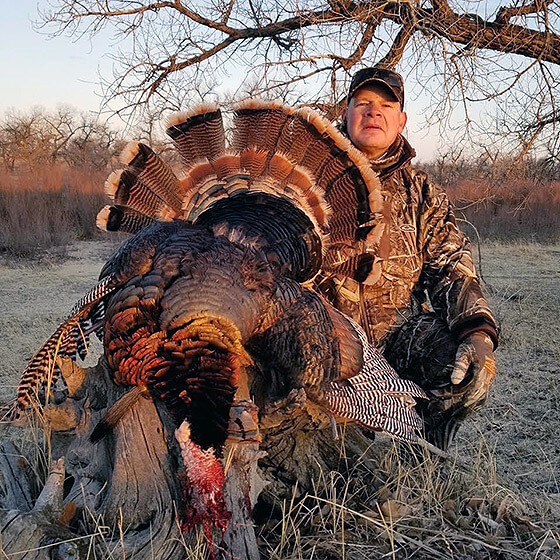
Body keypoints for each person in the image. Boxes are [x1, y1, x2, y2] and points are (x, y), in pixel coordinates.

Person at [314, 66, 499, 450]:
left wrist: (477, 331)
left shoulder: (421, 192)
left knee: (466, 368)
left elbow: (450, 265)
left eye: (385, 105)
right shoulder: (308, 180)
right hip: (321, 341)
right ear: (345, 114)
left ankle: (424, 455)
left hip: (398, 339)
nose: (373, 112)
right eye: (362, 103)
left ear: (401, 121)